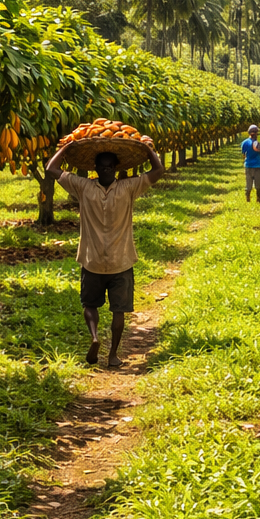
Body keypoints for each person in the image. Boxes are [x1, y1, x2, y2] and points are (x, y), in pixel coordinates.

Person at [45, 142, 165, 367]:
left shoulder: (83, 187)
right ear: (108, 168)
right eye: (105, 167)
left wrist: (66, 148)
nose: (106, 170)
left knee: (90, 304)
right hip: (121, 260)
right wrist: (148, 149)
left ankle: (94, 336)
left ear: (96, 169)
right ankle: (113, 355)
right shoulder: (128, 187)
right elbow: (157, 171)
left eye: (107, 167)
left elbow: (51, 169)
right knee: (119, 309)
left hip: (92, 260)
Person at [241, 124, 260, 202]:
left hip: (248, 165)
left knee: (249, 183)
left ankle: (248, 198)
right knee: (258, 183)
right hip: (257, 165)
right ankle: (258, 199)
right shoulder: (256, 143)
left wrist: (245, 162)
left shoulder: (244, 142)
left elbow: (243, 154)